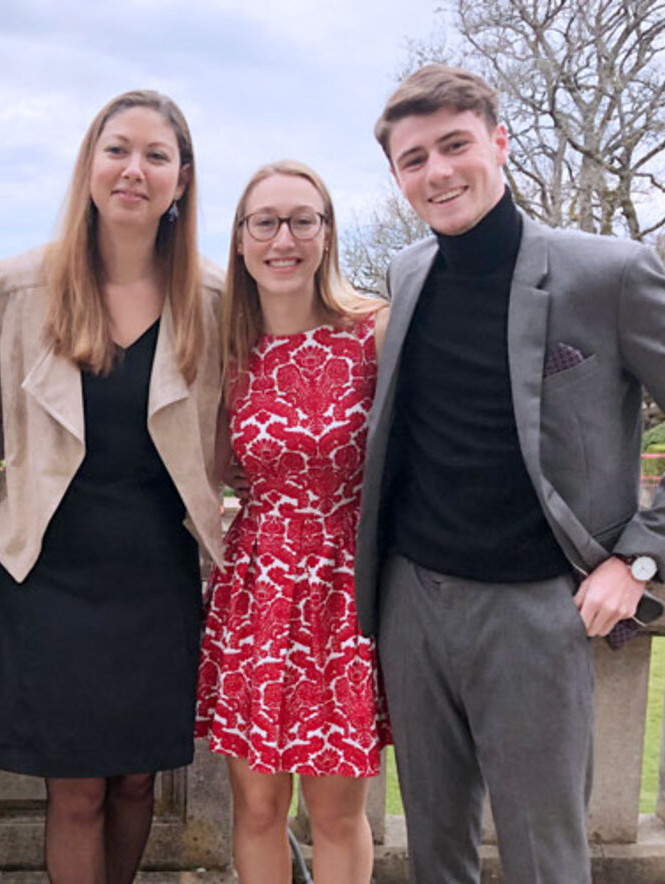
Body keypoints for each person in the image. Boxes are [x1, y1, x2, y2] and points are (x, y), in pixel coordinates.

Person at [355, 63, 665, 882]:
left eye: (454, 145)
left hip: (536, 608)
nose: (437, 171)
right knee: (435, 850)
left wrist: (638, 561)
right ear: (398, 176)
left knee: (543, 857)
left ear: (499, 142)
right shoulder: (407, 272)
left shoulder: (611, 272)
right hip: (413, 600)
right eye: (414, 159)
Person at [0, 89, 224, 884]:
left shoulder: (213, 299)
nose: (133, 170)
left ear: (182, 178)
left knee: (136, 781)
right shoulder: (22, 286)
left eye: (156, 155)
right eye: (117, 149)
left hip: (156, 576)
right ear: (90, 164)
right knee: (76, 789)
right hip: (47, 570)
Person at [194, 161, 391, 884]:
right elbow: (209, 463)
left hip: (345, 592)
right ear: (241, 239)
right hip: (256, 593)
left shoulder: (373, 331)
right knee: (256, 809)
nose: (284, 239)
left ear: (327, 233)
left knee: (337, 812)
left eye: (303, 220)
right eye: (266, 222)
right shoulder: (225, 350)